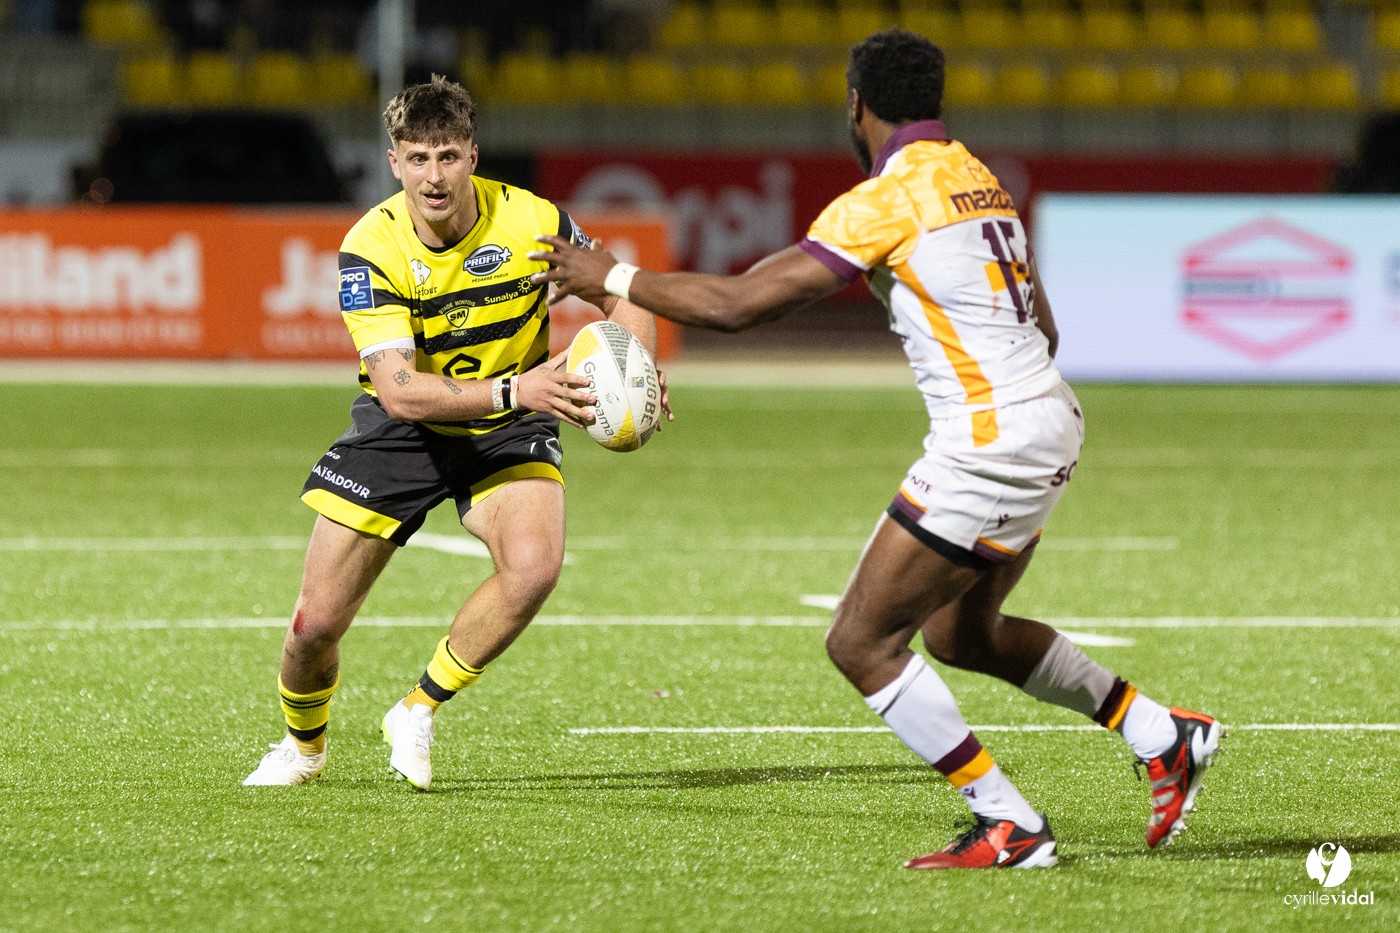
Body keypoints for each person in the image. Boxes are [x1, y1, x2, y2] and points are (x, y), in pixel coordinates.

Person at [532, 30, 1220, 869]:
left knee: (860, 641)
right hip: (1051, 415)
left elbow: (745, 303)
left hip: (991, 439)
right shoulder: (979, 178)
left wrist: (613, 276)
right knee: (961, 633)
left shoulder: (887, 197)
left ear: (855, 103)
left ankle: (1008, 820)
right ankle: (1162, 732)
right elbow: (1047, 326)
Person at [244, 75, 669, 790]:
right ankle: (303, 747)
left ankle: (417, 706)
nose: (433, 177)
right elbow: (399, 391)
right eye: (417, 159)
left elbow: (622, 293)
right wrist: (517, 386)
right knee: (313, 627)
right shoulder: (370, 245)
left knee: (534, 565)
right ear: (394, 163)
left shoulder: (533, 219)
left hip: (509, 425)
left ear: (473, 154)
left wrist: (640, 367)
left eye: (447, 156)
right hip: (405, 429)